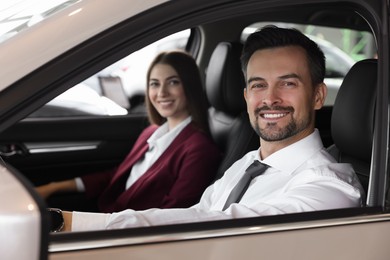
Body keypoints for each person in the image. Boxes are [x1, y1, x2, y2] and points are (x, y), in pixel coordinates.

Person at [58, 25, 364, 232]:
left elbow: (207, 224)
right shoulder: (247, 164)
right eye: (258, 85)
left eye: (287, 83)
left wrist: (71, 223)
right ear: (246, 97)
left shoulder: (329, 190)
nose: (270, 98)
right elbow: (197, 212)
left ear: (318, 96)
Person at [38, 51, 221, 212]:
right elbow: (115, 176)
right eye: (154, 84)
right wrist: (54, 187)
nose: (162, 92)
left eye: (173, 82)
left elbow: (172, 214)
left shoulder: (199, 149)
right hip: (110, 217)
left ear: (190, 86)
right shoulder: (151, 133)